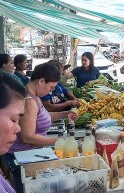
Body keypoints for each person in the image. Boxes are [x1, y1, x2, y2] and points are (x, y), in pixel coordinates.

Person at [5, 63, 79, 192]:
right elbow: (27, 137)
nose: (51, 90)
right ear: (41, 81)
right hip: (23, 159)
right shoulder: (29, 101)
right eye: (51, 87)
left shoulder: (35, 96)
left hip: (31, 156)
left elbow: (42, 117)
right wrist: (59, 141)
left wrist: (65, 114)